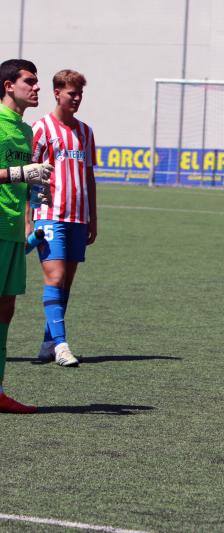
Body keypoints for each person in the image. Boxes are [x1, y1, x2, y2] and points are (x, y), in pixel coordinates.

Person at [29, 69, 98, 367]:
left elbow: (90, 176)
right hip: (50, 214)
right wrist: (29, 219)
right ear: (57, 93)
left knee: (65, 282)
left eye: (80, 93)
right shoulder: (41, 128)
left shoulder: (85, 131)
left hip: (78, 218)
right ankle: (61, 346)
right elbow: (29, 176)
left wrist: (93, 217)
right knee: (54, 277)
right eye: (72, 93)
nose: (77, 98)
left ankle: (47, 343)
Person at [0, 59, 53, 413]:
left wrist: (35, 189)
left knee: (6, 311)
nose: (36, 88)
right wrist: (22, 171)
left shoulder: (27, 130)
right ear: (8, 86)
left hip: (14, 231)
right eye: (29, 81)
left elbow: (17, 178)